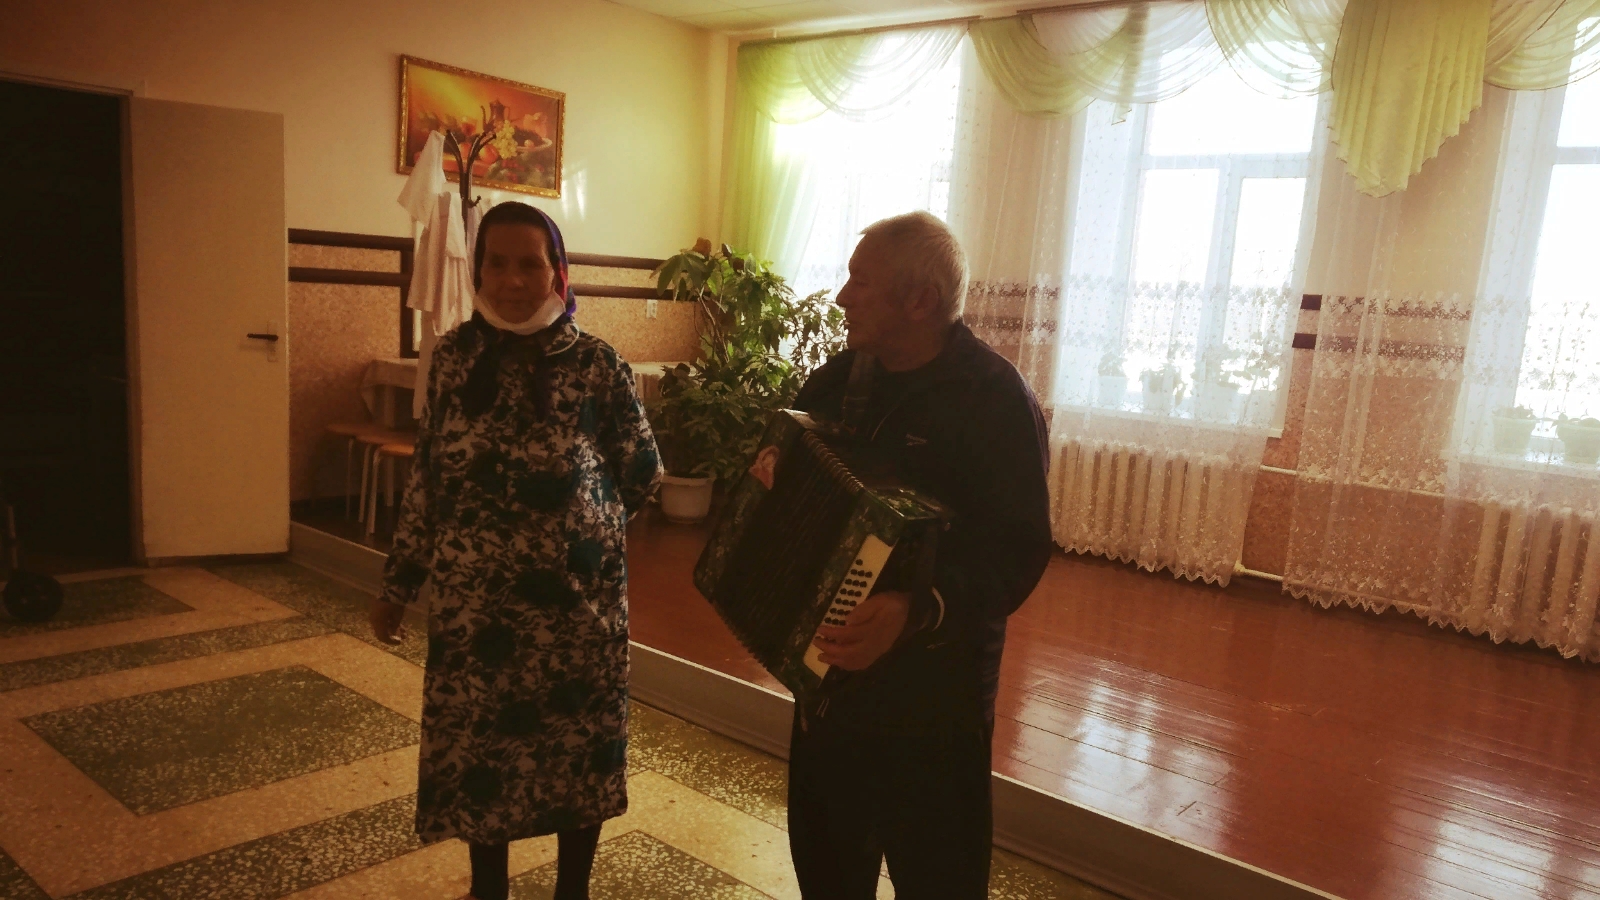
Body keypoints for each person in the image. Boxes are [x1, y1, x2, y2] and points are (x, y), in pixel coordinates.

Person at [369, 200, 662, 900]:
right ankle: (489, 889)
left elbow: (643, 473)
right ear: (478, 272)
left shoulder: (597, 365)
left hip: (575, 619)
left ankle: (572, 891)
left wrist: (581, 536)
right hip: (477, 617)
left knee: (577, 757)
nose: (512, 280)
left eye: (530, 263)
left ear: (558, 272)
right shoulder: (453, 359)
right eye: (496, 264)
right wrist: (398, 585)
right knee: (484, 755)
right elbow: (430, 477)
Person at [781, 211, 1053, 899]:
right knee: (827, 876)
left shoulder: (994, 400)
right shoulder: (835, 382)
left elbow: (1016, 551)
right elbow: (790, 490)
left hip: (936, 706)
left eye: (860, 282)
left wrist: (917, 609)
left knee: (938, 881)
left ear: (919, 301)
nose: (842, 297)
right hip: (831, 691)